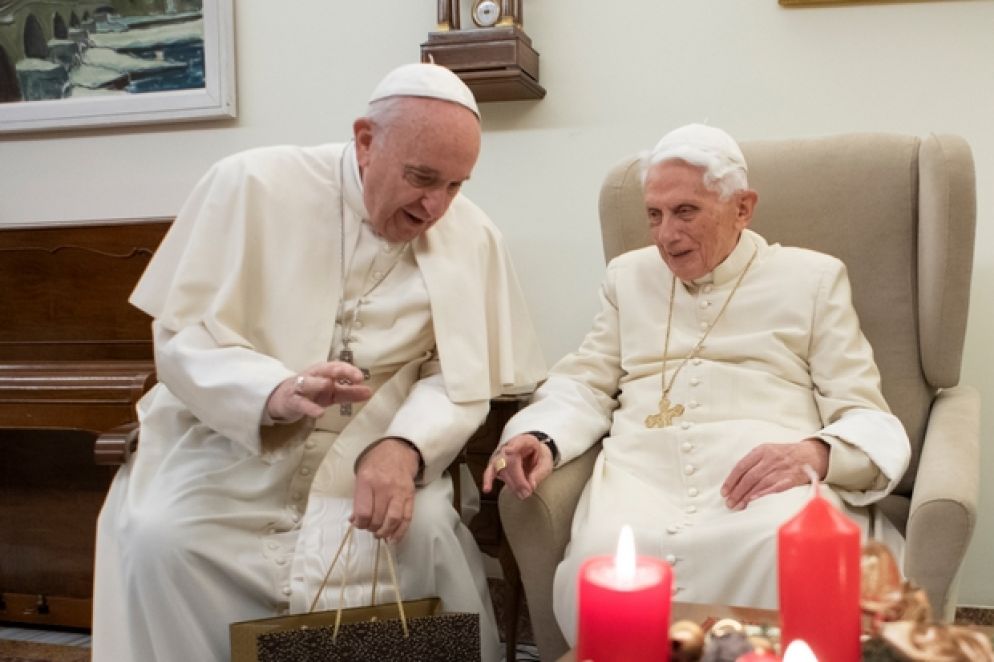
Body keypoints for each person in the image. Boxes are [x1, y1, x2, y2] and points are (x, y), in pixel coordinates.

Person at [92, 62, 545, 662]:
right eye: (421, 177)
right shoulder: (249, 185)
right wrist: (273, 391)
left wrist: (405, 447)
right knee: (160, 537)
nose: (437, 206)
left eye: (457, 185)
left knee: (425, 536)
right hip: (228, 446)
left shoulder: (472, 236)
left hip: (374, 447)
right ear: (365, 140)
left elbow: (457, 378)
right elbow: (184, 337)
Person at [484, 124, 911, 645]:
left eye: (685, 211)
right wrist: (543, 436)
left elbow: (862, 407)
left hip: (764, 481)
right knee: (603, 556)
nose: (665, 235)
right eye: (654, 215)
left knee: (781, 549)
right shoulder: (628, 277)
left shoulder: (812, 280)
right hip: (641, 475)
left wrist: (816, 454)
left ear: (743, 208)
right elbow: (586, 381)